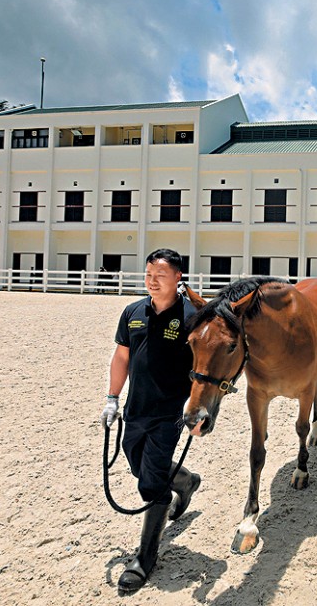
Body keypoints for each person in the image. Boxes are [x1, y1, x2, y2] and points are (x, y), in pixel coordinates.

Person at [99, 249, 200, 593]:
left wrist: (196, 410)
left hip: (169, 413)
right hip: (135, 410)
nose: (152, 280)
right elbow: (122, 357)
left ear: (178, 278)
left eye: (160, 275)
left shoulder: (192, 317)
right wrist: (113, 398)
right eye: (148, 274)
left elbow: (205, 368)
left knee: (151, 484)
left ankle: (145, 558)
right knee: (139, 467)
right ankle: (185, 481)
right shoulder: (132, 313)